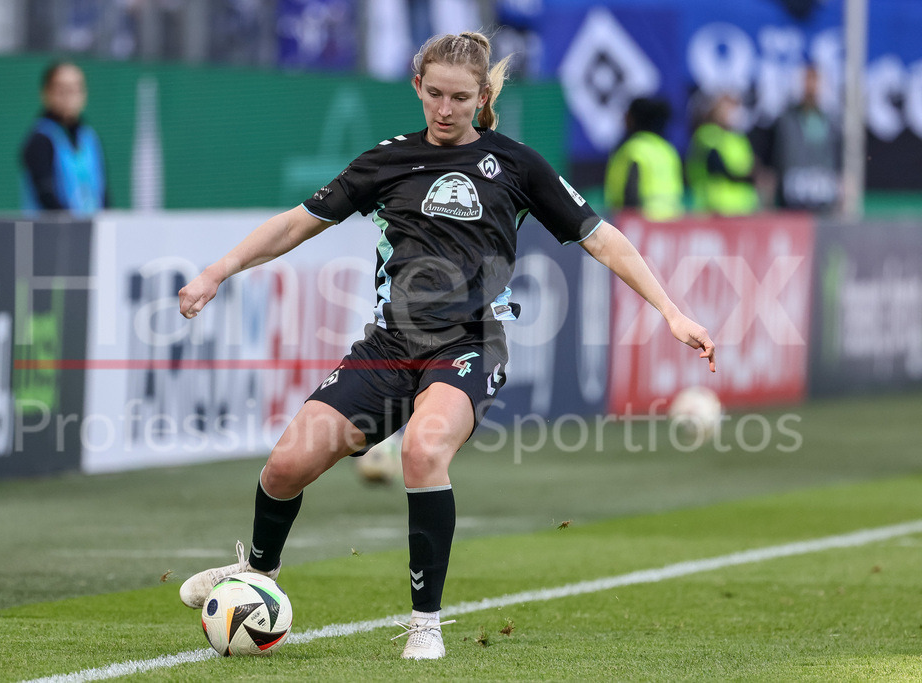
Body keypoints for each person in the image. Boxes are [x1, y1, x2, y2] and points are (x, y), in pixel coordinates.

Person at [177, 31, 716, 660]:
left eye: (459, 97)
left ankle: (425, 625)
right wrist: (218, 271)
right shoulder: (387, 160)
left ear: (482, 96)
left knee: (424, 451)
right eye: (433, 93)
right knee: (284, 469)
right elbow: (299, 222)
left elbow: (602, 239)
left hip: (470, 342)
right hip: (388, 347)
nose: (444, 108)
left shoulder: (517, 165)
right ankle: (258, 576)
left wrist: (671, 312)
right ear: (417, 87)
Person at [20, 61, 109, 215]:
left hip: (91, 232)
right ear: (46, 93)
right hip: (49, 234)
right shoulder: (40, 140)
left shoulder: (90, 138)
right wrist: (71, 228)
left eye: (75, 89)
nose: (69, 96)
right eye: (62, 89)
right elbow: (46, 196)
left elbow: (104, 193)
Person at [758, 64, 841, 212]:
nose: (811, 88)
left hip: (823, 202)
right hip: (791, 202)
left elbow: (836, 161)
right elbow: (771, 163)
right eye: (807, 81)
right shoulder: (785, 121)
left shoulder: (830, 122)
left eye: (815, 82)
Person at [604, 97, 684, 221]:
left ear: (633, 118)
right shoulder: (668, 150)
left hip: (641, 224)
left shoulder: (634, 149)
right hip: (670, 224)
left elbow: (630, 194)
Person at [686, 92, 759, 216]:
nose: (733, 113)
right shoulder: (707, 134)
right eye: (728, 108)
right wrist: (745, 176)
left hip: (743, 209)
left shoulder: (739, 139)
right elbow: (716, 165)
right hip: (714, 208)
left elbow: (753, 167)